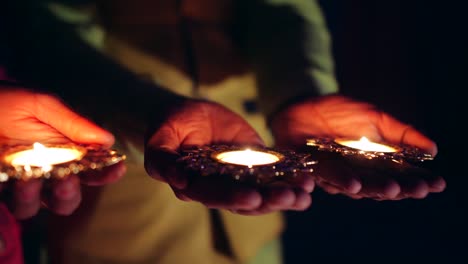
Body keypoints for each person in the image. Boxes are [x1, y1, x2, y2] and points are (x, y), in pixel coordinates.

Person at [0, 1, 446, 264]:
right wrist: (145, 110)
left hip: (257, 235)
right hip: (116, 224)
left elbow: (282, 9)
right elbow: (44, 29)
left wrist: (299, 94)